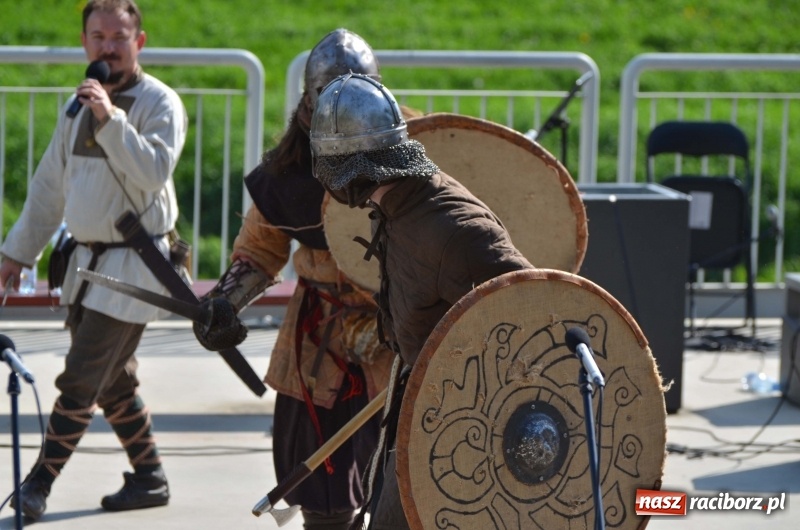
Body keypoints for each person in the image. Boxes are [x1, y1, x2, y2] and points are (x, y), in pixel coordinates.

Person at [193, 29, 399, 530]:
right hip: (319, 341)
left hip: (396, 332)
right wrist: (224, 303)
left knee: (401, 483)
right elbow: (259, 248)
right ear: (310, 106)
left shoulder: (410, 144)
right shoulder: (288, 170)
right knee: (322, 500)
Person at [308, 73, 534, 530]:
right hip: (422, 403)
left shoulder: (458, 231)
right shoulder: (392, 205)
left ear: (361, 162)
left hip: (467, 430)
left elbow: (530, 322)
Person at [1, 0, 187, 521]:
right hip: (86, 267)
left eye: (119, 37)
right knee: (111, 380)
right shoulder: (75, 106)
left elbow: (151, 171)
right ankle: (149, 478)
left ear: (140, 42)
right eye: (98, 36)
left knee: (81, 377)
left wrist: (110, 118)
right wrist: (15, 254)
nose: (108, 46)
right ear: (85, 43)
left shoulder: (160, 103)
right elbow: (47, 189)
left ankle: (38, 484)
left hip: (137, 269)